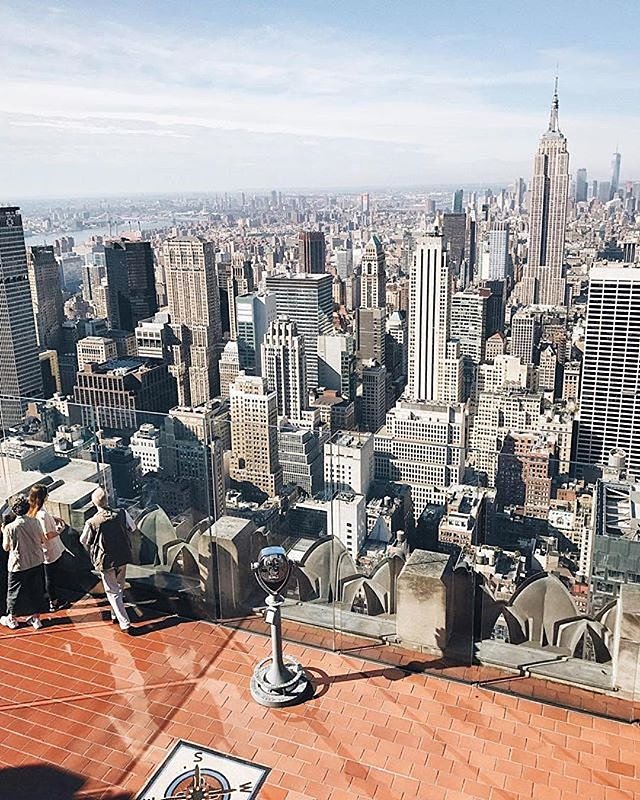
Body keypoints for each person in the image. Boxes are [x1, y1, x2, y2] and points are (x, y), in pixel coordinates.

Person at [80, 487, 134, 634]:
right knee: (120, 586)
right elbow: (133, 527)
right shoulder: (121, 513)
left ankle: (124, 623)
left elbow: (84, 540)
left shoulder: (92, 522)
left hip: (105, 560)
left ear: (93, 503)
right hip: (122, 555)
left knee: (112, 591)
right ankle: (115, 613)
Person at [1, 495, 47, 630]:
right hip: (36, 560)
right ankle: (36, 618)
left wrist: (4, 531)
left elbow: (6, 547)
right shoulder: (35, 522)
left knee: (14, 592)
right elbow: (42, 540)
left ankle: (12, 618)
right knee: (36, 590)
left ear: (14, 510)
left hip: (18, 564)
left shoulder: (10, 528)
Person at [27, 484, 66, 612]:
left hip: (40, 551)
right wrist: (60, 530)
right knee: (51, 578)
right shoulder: (42, 514)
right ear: (43, 497)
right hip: (49, 551)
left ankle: (49, 597)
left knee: (46, 576)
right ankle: (53, 602)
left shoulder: (30, 511)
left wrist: (53, 518)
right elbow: (47, 535)